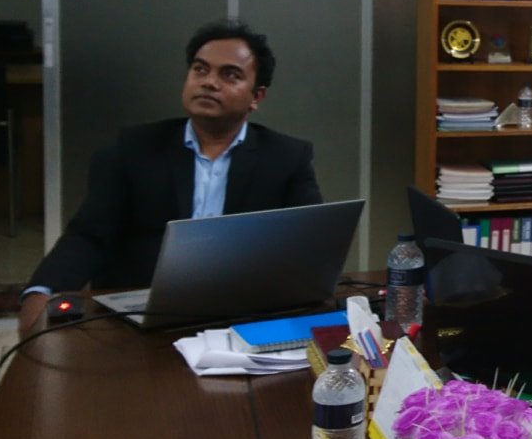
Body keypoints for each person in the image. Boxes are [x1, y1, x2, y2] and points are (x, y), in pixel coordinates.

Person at [18, 20, 321, 337]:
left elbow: (313, 242)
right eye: (200, 70)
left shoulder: (287, 157)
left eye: (229, 75)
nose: (209, 82)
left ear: (256, 96)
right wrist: (41, 291)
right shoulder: (133, 150)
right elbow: (88, 237)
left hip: (243, 314)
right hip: (143, 318)